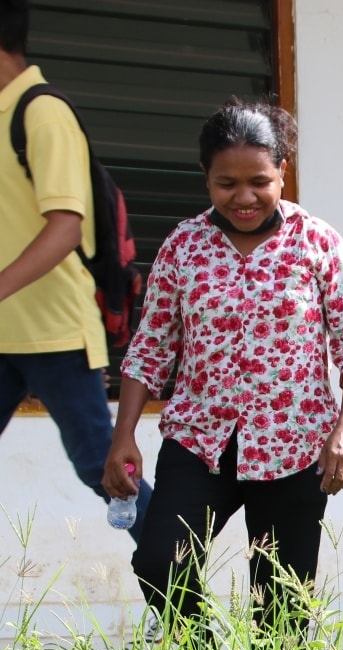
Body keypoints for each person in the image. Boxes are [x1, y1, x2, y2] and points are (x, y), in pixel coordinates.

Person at [103, 99, 343, 632]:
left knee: (281, 609)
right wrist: (124, 436)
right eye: (226, 183)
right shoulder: (183, 246)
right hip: (199, 440)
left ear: (282, 172)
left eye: (259, 180)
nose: (244, 197)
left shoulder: (317, 243)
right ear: (206, 179)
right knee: (159, 563)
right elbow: (151, 346)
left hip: (293, 445)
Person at [0, 0, 151, 541]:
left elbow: (65, 227)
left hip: (56, 334)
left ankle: (188, 605)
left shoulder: (42, 113)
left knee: (102, 469)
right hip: (5, 331)